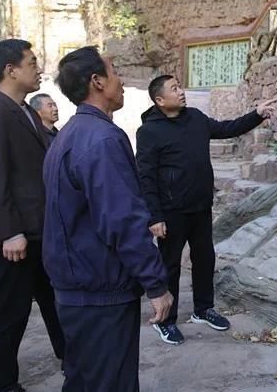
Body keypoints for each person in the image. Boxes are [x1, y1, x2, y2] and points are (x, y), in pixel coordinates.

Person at [42, 47, 172, 391]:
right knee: (110, 381)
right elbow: (122, 220)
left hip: (75, 285)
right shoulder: (101, 140)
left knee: (83, 378)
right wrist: (155, 283)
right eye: (114, 71)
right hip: (100, 290)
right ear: (97, 82)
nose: (122, 79)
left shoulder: (68, 135)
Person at [136, 75, 277, 345]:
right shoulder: (149, 132)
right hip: (170, 211)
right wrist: (154, 216)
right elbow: (146, 176)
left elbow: (227, 128)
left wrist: (257, 115)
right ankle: (166, 320)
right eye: (174, 89)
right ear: (159, 100)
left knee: (204, 259)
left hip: (200, 207)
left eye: (180, 86)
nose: (181, 92)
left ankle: (203, 309)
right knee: (170, 266)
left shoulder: (196, 118)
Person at [0, 39, 65, 392]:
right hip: (14, 240)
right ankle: (2, 385)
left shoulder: (25, 114)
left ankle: (74, 361)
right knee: (8, 316)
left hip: (39, 234)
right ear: (11, 70)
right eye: (32, 62)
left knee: (55, 303)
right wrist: (8, 232)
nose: (39, 68)